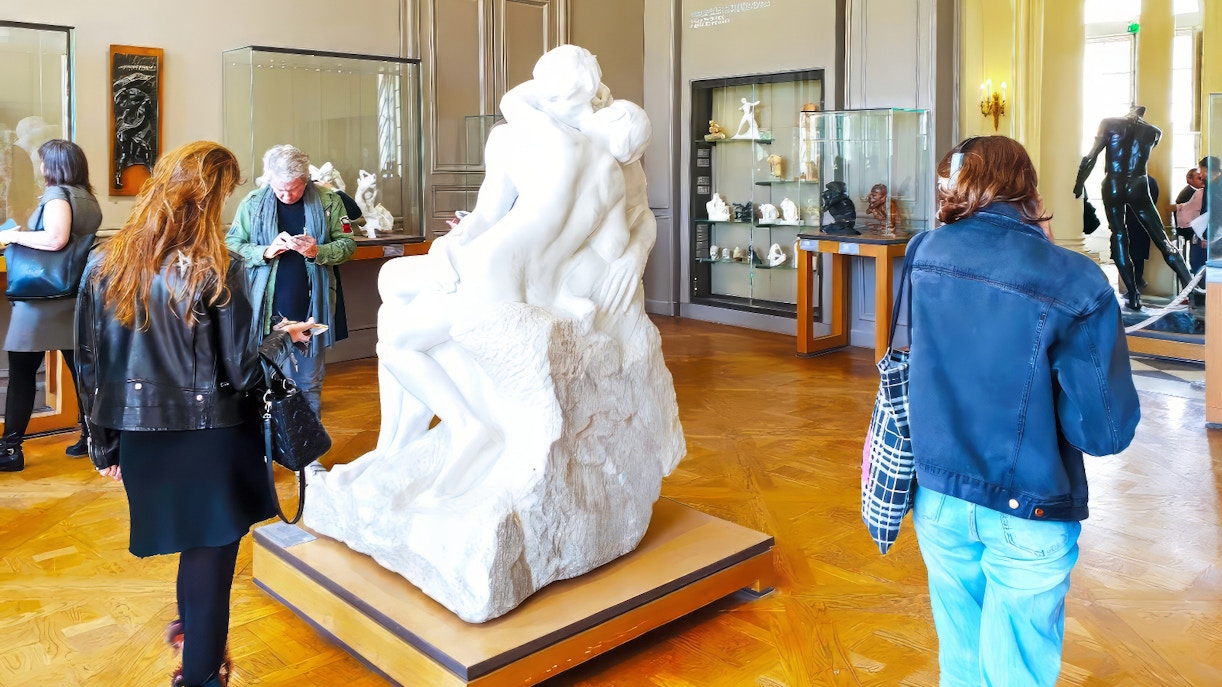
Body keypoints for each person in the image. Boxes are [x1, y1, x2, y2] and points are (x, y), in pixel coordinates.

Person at [75, 141, 315, 687]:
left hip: (140, 435)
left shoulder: (104, 261)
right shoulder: (217, 267)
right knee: (211, 553)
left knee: (194, 544)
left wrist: (105, 445)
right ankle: (202, 675)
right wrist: (279, 341)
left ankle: (195, 634)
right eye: (225, 193)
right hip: (210, 434)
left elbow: (87, 363)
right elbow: (241, 372)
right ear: (207, 198)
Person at [910, 135, 1140, 687]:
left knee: (961, 662)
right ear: (1027, 186)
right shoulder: (1074, 277)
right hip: (1027, 506)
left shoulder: (923, 252)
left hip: (936, 494)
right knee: (1014, 675)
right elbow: (1106, 432)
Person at [226, 144, 356, 412]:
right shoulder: (253, 203)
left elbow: (347, 245)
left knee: (308, 383)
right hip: (264, 313)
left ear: (305, 180)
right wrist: (265, 251)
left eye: (293, 189)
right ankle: (267, 451)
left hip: (310, 307)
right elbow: (232, 246)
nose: (286, 195)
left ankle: (309, 453)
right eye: (279, 189)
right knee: (263, 384)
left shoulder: (328, 201)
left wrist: (316, 251)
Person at [0, 140, 100, 472]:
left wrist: (14, 237)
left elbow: (56, 239)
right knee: (81, 372)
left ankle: (10, 449)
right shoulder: (87, 197)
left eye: (42, 162)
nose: (40, 167)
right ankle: (91, 439)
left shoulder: (58, 195)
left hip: (42, 301)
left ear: (53, 166)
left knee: (21, 372)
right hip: (73, 296)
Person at [1074, 105, 1194, 310]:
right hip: (1138, 183)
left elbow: (1090, 157)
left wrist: (1079, 184)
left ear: (1129, 110)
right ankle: (1190, 288)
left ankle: (1133, 293)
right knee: (1161, 238)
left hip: (1113, 182)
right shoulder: (1155, 132)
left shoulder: (1110, 122)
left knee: (1119, 235)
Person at [1124, 175, 1157, 287]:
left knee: (1131, 255)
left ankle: (1133, 284)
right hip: (1144, 222)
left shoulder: (1130, 180)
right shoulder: (1151, 181)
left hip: (1130, 222)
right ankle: (1137, 280)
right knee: (1138, 256)